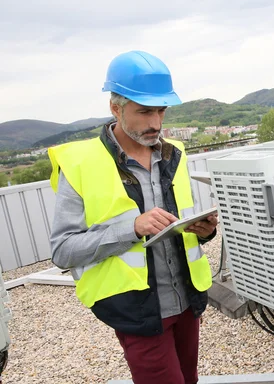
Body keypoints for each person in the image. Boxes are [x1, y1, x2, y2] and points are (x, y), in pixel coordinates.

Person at [48, 50, 217, 384]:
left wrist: (202, 231)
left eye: (161, 110)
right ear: (116, 107)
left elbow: (180, 225)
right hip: (136, 311)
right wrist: (131, 228)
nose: (156, 123)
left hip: (186, 301)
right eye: (145, 112)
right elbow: (63, 251)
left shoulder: (174, 155)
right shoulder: (81, 165)